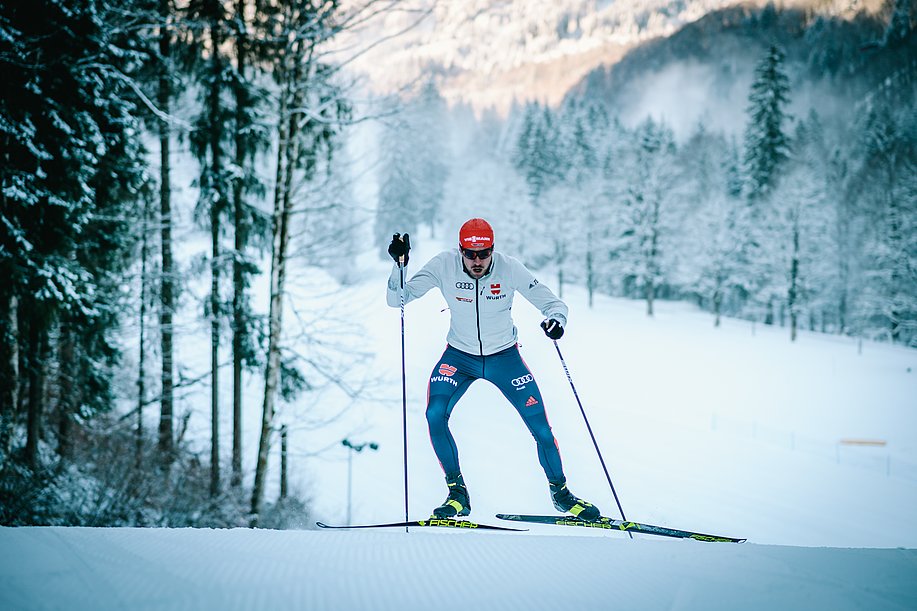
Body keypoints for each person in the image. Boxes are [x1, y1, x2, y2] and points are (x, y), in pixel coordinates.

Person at [385, 218, 601, 521]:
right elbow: (398, 299)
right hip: (459, 358)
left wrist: (556, 322)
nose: (477, 261)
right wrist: (400, 265)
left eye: (483, 253)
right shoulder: (443, 265)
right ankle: (457, 494)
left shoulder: (509, 268)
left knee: (541, 428)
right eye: (470, 254)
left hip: (505, 359)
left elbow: (554, 304)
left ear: (492, 250)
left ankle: (561, 494)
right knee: (435, 414)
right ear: (460, 250)